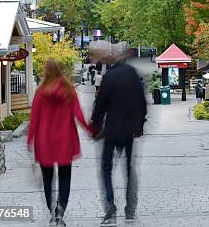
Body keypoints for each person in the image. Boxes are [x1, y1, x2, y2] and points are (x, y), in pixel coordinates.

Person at [27, 59, 93, 226]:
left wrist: (29, 140)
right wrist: (91, 130)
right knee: (65, 177)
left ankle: (52, 213)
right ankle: (60, 211)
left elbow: (34, 120)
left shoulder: (40, 92)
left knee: (48, 179)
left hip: (44, 141)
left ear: (45, 72)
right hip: (65, 141)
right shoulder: (69, 90)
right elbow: (78, 115)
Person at [91, 54, 147, 226]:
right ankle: (130, 211)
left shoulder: (109, 76)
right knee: (130, 169)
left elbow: (100, 104)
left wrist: (96, 126)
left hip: (112, 131)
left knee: (106, 170)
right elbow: (142, 104)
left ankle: (110, 208)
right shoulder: (132, 74)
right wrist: (139, 128)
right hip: (130, 131)